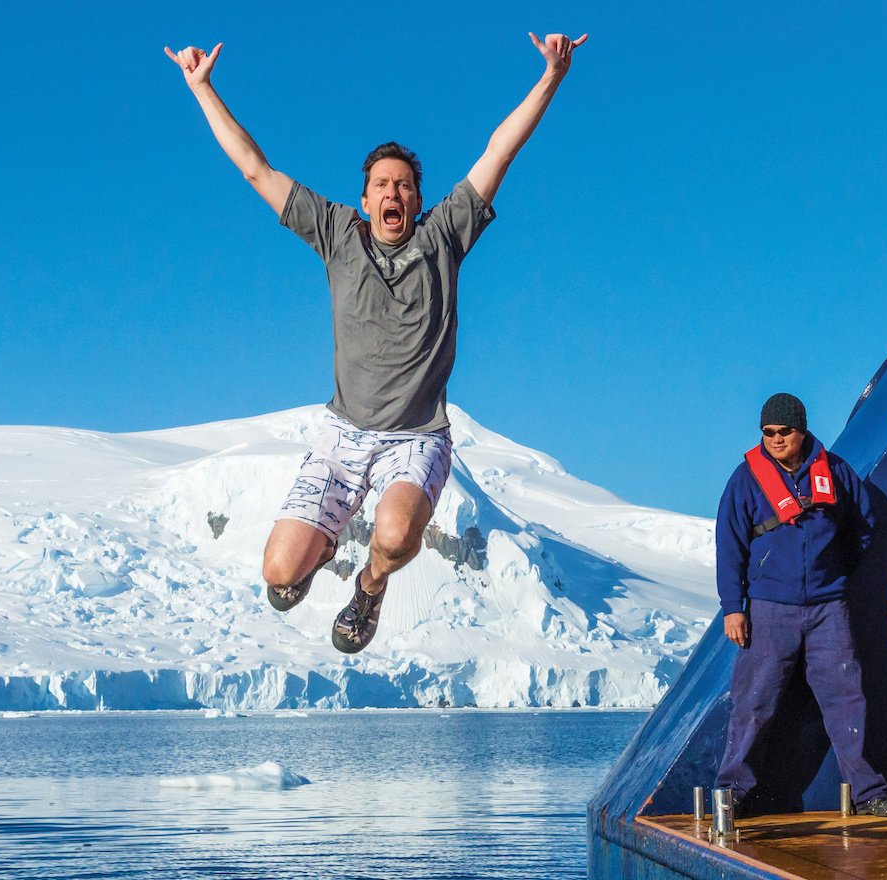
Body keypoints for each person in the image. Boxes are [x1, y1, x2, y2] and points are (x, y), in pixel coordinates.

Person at [164, 32, 586, 653]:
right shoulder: (338, 234)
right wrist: (202, 88)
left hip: (416, 438)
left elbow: (501, 150)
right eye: (381, 185)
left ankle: (370, 585)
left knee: (392, 535)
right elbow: (256, 168)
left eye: (404, 186)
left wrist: (552, 75)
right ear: (364, 202)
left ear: (417, 200)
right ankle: (324, 542)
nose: (393, 193)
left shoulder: (443, 237)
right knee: (279, 577)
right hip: (342, 436)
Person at [715, 393, 887, 817]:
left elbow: (864, 525)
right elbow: (729, 546)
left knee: (847, 700)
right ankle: (732, 792)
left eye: (785, 431)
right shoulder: (745, 479)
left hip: (828, 608)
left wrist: (835, 571)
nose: (777, 439)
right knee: (753, 703)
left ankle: (869, 794)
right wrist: (734, 607)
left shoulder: (834, 471)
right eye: (768, 433)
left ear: (801, 431)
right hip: (769, 607)